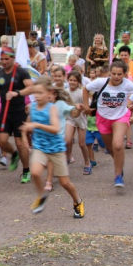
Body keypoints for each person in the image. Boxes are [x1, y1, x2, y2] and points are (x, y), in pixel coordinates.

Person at [83, 60, 133, 188]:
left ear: (124, 74)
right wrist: (86, 107)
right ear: (110, 73)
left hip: (120, 117)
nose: (116, 77)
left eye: (119, 74)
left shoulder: (127, 84)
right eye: (113, 73)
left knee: (118, 145)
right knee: (110, 149)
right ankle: (119, 166)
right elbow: (85, 89)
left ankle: (118, 175)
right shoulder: (101, 82)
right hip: (103, 118)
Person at [22, 76, 84, 218]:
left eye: (40, 93)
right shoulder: (32, 107)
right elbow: (28, 123)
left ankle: (78, 201)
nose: (37, 96)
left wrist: (36, 125)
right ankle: (41, 196)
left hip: (56, 149)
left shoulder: (53, 108)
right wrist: (25, 135)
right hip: (40, 147)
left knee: (64, 183)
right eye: (35, 93)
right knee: (35, 173)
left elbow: (56, 129)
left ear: (49, 93)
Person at [0, 46, 34, 182]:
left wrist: (17, 93)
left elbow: (31, 88)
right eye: (2, 59)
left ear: (13, 58)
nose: (4, 62)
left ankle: (26, 170)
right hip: (5, 113)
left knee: (20, 143)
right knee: (1, 141)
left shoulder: (21, 72)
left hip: (19, 112)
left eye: (6, 59)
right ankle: (14, 154)